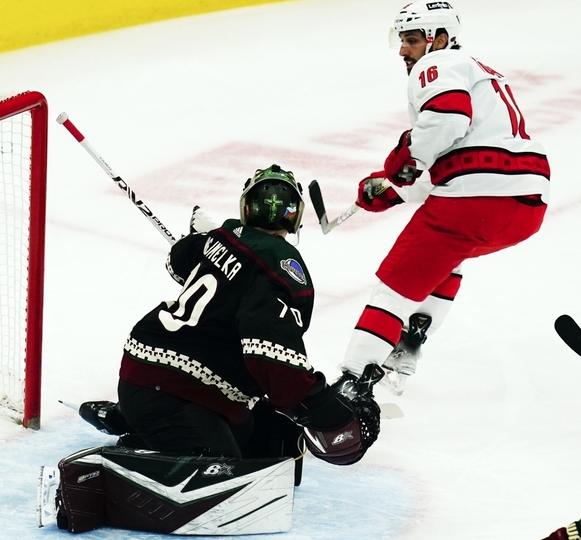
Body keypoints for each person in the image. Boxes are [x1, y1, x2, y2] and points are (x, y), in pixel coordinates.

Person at [48, 165, 384, 535]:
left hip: (162, 379)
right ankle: (96, 479)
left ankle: (129, 420)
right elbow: (269, 358)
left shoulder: (225, 235)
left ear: (246, 207)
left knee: (275, 443)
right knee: (223, 478)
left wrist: (207, 239)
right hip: (172, 390)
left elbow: (179, 260)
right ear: (295, 217)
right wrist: (328, 411)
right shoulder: (282, 268)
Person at [339, 2, 550, 395]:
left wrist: (404, 164)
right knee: (446, 255)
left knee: (393, 289)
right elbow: (455, 162)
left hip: (475, 201)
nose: (404, 50)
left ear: (439, 39)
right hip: (526, 203)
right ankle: (409, 340)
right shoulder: (480, 72)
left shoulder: (438, 63)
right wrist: (394, 188)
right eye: (401, 40)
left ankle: (353, 387)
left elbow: (448, 119)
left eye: (411, 39)